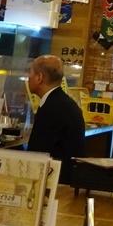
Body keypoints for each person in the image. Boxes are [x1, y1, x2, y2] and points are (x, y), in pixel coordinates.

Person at [26, 54, 85, 184]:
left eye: (30, 74)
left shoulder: (52, 107)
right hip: (69, 179)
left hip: (57, 183)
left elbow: (38, 153)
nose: (28, 78)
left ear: (39, 77)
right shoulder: (63, 102)